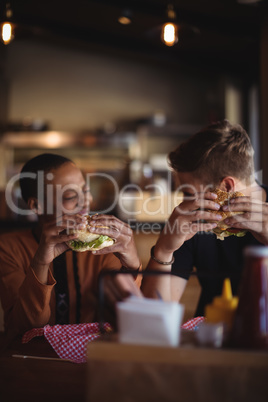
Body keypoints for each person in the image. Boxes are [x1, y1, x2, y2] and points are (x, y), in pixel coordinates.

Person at [0, 153, 141, 339]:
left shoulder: (103, 247)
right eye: (70, 196)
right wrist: (40, 263)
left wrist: (131, 262)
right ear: (37, 205)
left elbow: (130, 315)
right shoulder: (8, 248)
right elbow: (25, 328)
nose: (85, 202)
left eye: (85, 191)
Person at [141, 119, 268, 316]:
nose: (184, 203)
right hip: (209, 336)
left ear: (226, 187)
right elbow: (154, 315)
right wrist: (164, 249)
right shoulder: (193, 221)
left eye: (190, 194)